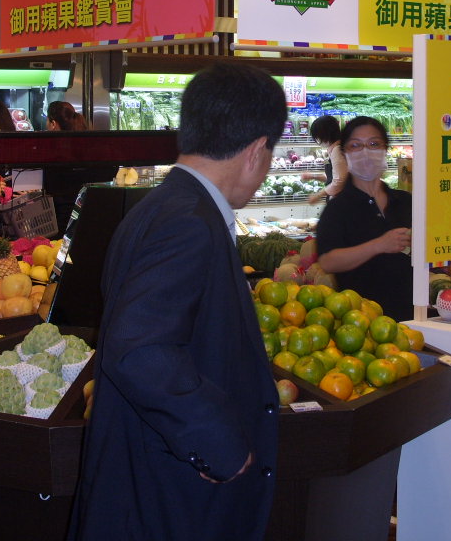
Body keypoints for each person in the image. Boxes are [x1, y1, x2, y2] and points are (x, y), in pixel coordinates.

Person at [70, 63, 286, 541]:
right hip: (168, 496)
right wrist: (219, 443)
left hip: (144, 478)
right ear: (256, 151)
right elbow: (139, 347)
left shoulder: (158, 205)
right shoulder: (189, 223)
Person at [315, 116, 412, 321]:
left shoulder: (405, 201)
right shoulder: (337, 209)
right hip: (360, 324)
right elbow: (328, 261)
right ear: (345, 153)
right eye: (356, 145)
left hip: (412, 317)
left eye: (374, 144)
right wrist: (379, 245)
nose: (366, 152)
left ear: (385, 149)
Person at [43, 100, 114, 234]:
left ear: (53, 124)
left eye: (47, 121)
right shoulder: (93, 147)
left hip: (60, 220)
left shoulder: (52, 153)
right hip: (92, 217)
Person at [301, 114, 347, 204]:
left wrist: (318, 195)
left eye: (317, 137)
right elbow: (332, 177)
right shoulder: (335, 149)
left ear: (324, 135)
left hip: (343, 201)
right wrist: (313, 177)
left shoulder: (337, 151)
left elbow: (339, 181)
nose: (317, 141)